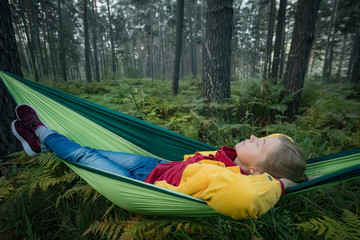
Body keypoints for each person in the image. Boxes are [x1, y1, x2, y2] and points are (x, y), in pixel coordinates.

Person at [11, 104, 307, 219]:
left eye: (260, 142)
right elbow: (281, 139)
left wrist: (284, 182)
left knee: (84, 156)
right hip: (155, 166)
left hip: (143, 186)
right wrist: (283, 161)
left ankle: (41, 131)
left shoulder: (235, 183)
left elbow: (249, 197)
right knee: (91, 149)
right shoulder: (230, 160)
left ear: (255, 171)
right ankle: (42, 145)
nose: (254, 136)